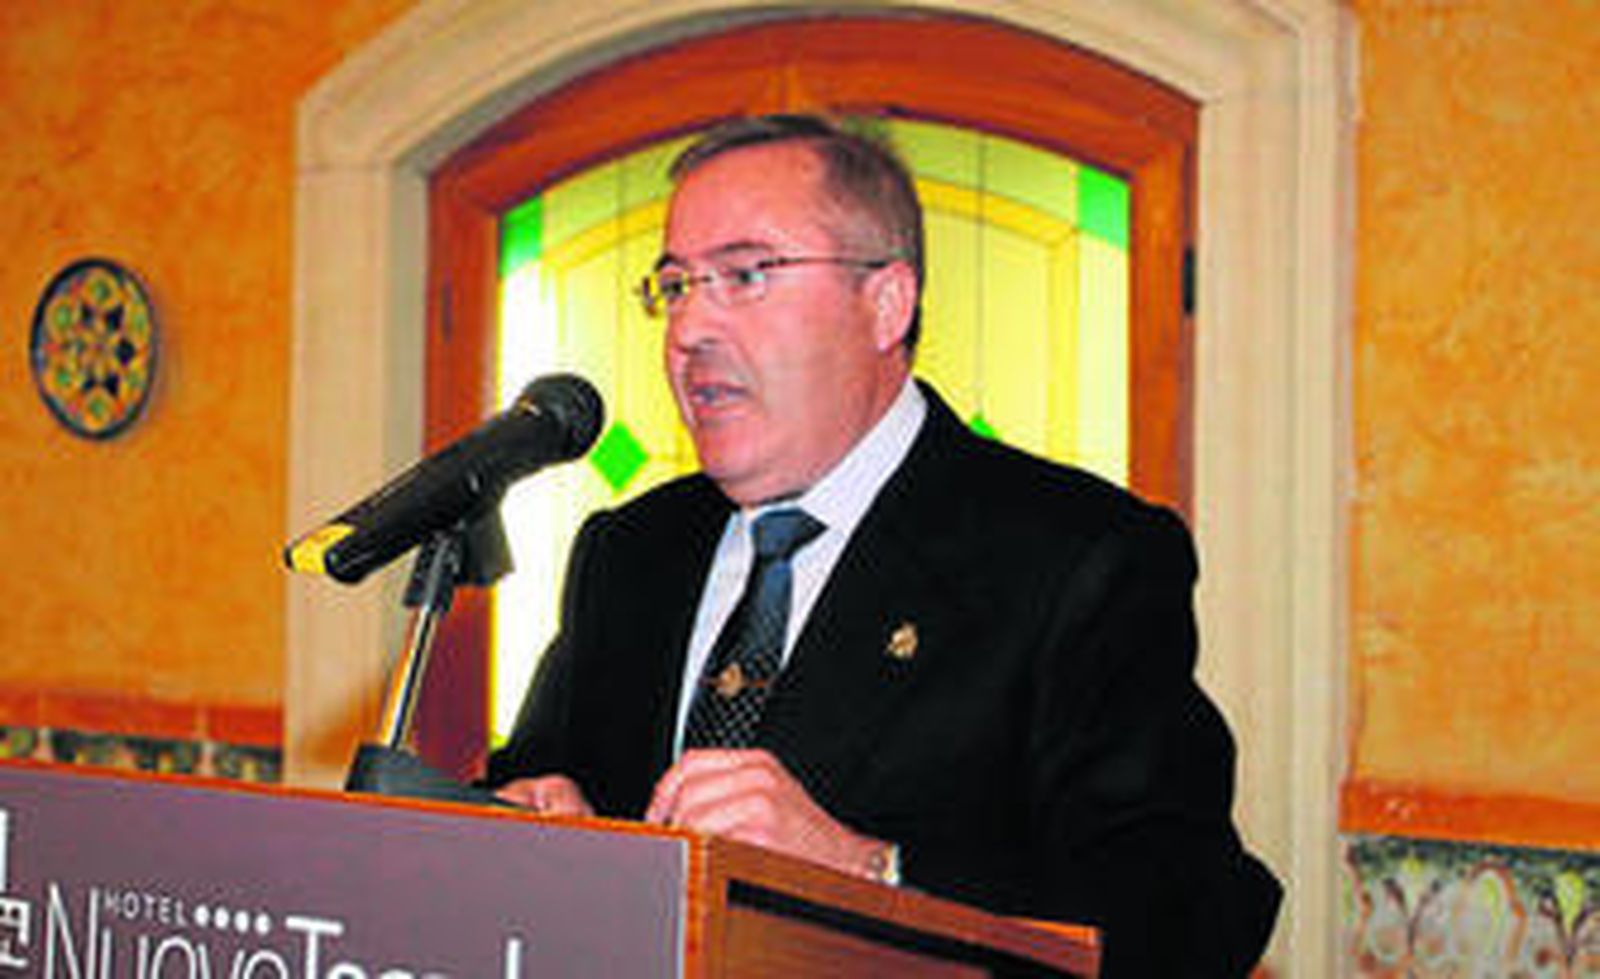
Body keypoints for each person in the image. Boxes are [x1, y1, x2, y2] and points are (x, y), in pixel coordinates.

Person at [483, 114, 1280, 977]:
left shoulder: (1077, 556)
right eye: (676, 285)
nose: (689, 329)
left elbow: (1184, 918)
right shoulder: (631, 553)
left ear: (885, 303)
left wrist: (870, 869)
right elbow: (537, 780)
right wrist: (526, 821)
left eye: (746, 275)